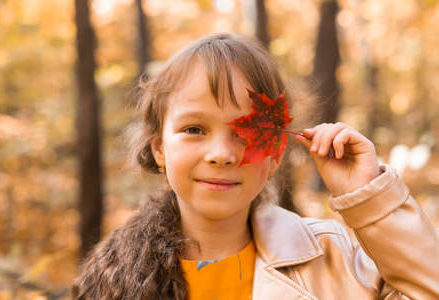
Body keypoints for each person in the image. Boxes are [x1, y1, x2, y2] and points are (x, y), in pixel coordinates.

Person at [72, 33, 438, 300]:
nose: (222, 154)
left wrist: (370, 201)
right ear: (159, 149)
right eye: (194, 129)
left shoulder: (334, 261)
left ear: (276, 150)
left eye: (244, 132)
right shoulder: (113, 279)